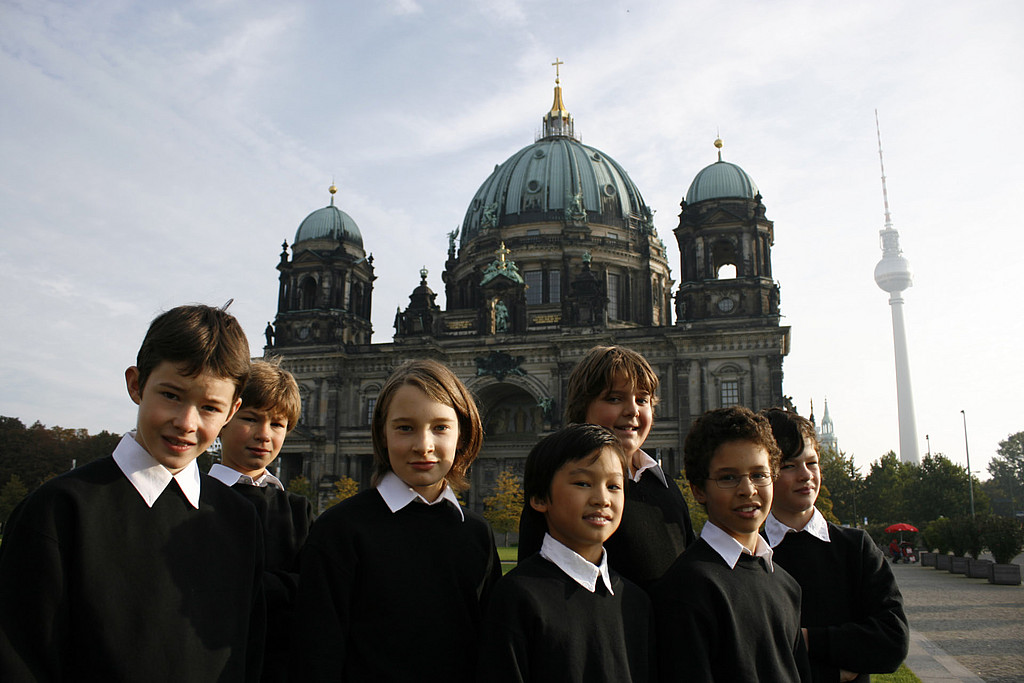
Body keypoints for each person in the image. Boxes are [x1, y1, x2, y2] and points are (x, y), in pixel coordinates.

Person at [0, 304, 265, 682]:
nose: (186, 422)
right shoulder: (58, 509)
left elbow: (248, 655)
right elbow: (20, 659)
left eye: (209, 407)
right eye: (171, 395)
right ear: (136, 384)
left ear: (231, 411)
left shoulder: (240, 518)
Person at [293, 359, 501, 682]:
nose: (424, 446)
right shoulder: (339, 531)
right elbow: (317, 655)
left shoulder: (476, 534)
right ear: (382, 433)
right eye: (405, 428)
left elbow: (491, 648)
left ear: (462, 434)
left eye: (440, 427)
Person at [477, 424, 654, 682]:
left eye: (614, 486)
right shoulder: (517, 597)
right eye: (583, 483)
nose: (602, 499)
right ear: (539, 498)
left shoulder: (636, 601)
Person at [650, 406, 810, 682]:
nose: (747, 489)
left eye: (759, 475)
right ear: (698, 489)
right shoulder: (687, 588)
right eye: (728, 477)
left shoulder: (786, 585)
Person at [518, 345, 695, 589]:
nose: (632, 410)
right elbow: (535, 581)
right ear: (583, 407)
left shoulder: (665, 486)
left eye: (642, 400)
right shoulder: (560, 484)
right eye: (614, 398)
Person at [761, 408, 909, 683]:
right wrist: (831, 672)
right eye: (789, 465)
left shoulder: (856, 548)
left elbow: (893, 642)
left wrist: (804, 639)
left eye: (812, 462)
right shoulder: (753, 552)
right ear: (765, 472)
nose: (806, 475)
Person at [209, 358, 312, 683]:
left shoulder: (298, 510)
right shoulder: (191, 498)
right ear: (222, 419)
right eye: (250, 419)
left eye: (278, 425)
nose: (263, 435)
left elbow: (312, 595)